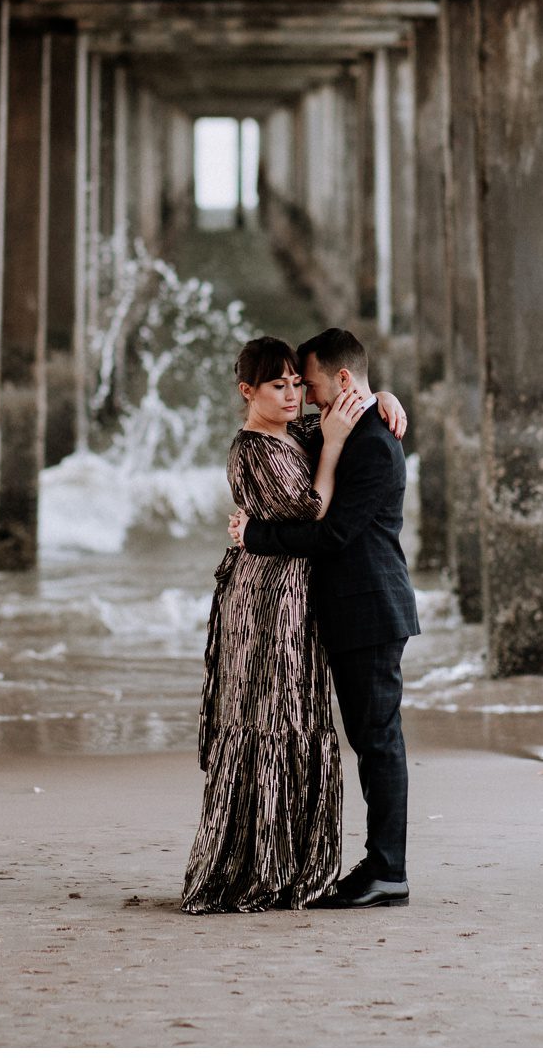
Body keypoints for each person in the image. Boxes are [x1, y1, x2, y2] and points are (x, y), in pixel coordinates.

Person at [181, 336, 407, 914]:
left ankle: (386, 871)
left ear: (342, 385)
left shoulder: (360, 441)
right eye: (285, 385)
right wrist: (371, 398)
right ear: (249, 391)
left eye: (305, 383)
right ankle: (280, 863)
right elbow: (311, 498)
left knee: (374, 741)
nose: (300, 396)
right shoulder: (296, 438)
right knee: (320, 732)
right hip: (290, 609)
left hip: (364, 607)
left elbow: (327, 531)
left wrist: (254, 535)